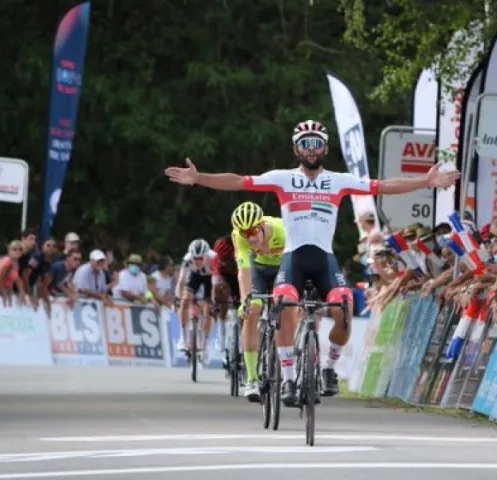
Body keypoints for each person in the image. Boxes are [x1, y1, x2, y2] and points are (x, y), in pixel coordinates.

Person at [164, 119, 461, 406]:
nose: (310, 149)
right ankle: (289, 379)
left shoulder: (338, 181)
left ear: (325, 149)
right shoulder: (283, 178)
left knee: (343, 306)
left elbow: (383, 186)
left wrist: (427, 180)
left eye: (316, 144)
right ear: (297, 149)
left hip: (324, 260)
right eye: (305, 144)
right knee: (282, 305)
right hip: (293, 259)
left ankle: (329, 368)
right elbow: (239, 181)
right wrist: (199, 178)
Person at [230, 201, 287, 402]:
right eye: (245, 233)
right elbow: (243, 270)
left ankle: (290, 369)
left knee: (287, 306)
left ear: (262, 225)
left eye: (254, 230)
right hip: (258, 270)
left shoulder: (283, 230)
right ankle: (253, 378)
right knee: (252, 310)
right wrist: (246, 300)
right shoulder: (239, 237)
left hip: (283, 269)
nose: (251, 237)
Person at [175, 238, 218, 355]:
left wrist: (214, 300)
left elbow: (218, 282)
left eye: (201, 258)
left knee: (209, 310)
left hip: (211, 278)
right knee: (184, 302)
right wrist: (177, 298)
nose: (198, 261)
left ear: (206, 256)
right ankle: (183, 337)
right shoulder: (187, 260)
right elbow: (181, 281)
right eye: (195, 258)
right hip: (195, 276)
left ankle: (205, 342)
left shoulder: (214, 258)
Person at [212, 234, 240, 362]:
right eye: (221, 259)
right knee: (220, 292)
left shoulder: (240, 254)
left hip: (241, 277)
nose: (223, 262)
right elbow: (216, 282)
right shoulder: (217, 261)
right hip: (226, 280)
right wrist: (216, 302)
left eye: (226, 259)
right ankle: (221, 333)